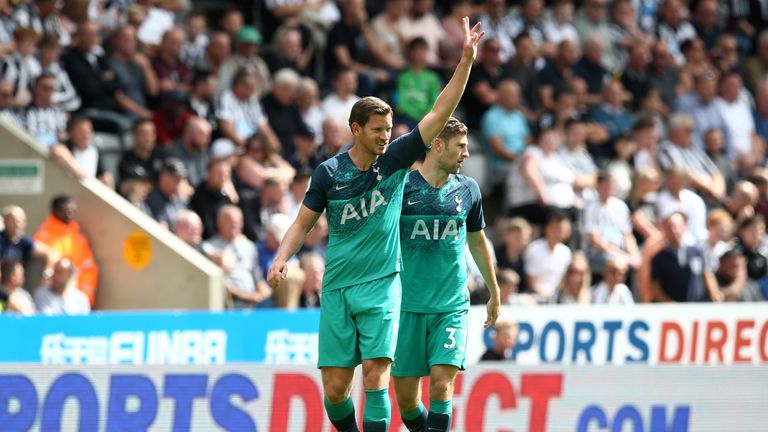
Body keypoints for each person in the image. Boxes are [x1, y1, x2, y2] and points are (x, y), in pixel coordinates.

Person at [267, 18, 484, 432]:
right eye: (378, 130)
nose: (387, 136)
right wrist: (281, 257)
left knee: (376, 377)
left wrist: (465, 62)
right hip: (337, 286)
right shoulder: (329, 174)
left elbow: (440, 111)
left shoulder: (397, 160)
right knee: (334, 389)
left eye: (388, 129)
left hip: (384, 285)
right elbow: (302, 223)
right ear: (356, 130)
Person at [392, 118, 500, 431]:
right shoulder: (402, 188)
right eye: (461, 146)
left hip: (450, 306)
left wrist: (494, 290)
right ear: (438, 145)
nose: (466, 153)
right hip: (406, 306)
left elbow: (477, 241)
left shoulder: (468, 189)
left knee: (441, 384)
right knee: (408, 402)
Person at [33, 195, 99, 306]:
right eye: (65, 210)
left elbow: (89, 268)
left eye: (72, 210)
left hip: (75, 298)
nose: (69, 214)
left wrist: (85, 294)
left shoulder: (78, 238)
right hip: (50, 297)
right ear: (55, 210)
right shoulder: (43, 236)